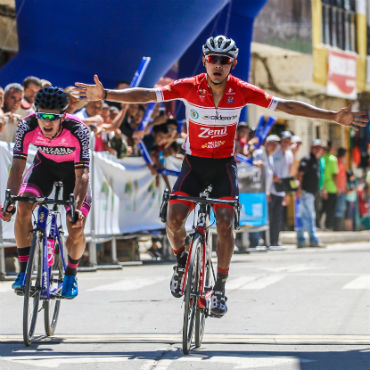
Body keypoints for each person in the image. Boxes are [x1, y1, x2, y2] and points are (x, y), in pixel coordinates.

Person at [74, 34, 367, 317]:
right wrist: (108, 94)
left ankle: (221, 288)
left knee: (226, 224)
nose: (218, 65)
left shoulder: (242, 90)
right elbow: (149, 95)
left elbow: (286, 105)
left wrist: (331, 117)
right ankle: (180, 263)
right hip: (194, 164)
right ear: (204, 61)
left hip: (224, 165)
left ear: (232, 64)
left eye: (224, 61)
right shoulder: (189, 86)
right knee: (174, 219)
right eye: (213, 59)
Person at [1, 86, 91, 299]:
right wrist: (10, 199)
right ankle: (23, 272)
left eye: (53, 117)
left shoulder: (78, 130)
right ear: (36, 113)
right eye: (42, 116)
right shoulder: (27, 125)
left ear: (63, 116)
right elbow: (17, 167)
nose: (47, 122)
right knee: (23, 205)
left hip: (73, 173)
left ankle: (70, 275)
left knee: (75, 225)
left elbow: (83, 176)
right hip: (44, 168)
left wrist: (76, 209)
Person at [296, 139, 325, 248]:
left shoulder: (317, 160)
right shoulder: (307, 159)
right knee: (309, 216)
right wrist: (299, 190)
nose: (317, 149)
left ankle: (302, 240)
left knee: (304, 216)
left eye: (319, 147)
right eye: (315, 147)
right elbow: (300, 175)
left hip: (312, 193)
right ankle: (313, 239)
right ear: (311, 148)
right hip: (305, 192)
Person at [270, 130, 294, 250]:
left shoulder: (290, 154)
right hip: (271, 188)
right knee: (270, 216)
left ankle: (275, 240)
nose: (285, 143)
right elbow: (270, 167)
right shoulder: (275, 152)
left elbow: (289, 173)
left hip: (281, 190)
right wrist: (274, 177)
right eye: (284, 141)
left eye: (288, 142)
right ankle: (268, 240)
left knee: (278, 217)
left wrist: (287, 193)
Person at [322, 142, 338, 230]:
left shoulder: (322, 158)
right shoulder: (333, 159)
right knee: (331, 209)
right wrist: (338, 187)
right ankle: (329, 226)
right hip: (332, 187)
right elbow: (334, 175)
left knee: (323, 208)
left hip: (323, 187)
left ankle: (322, 225)